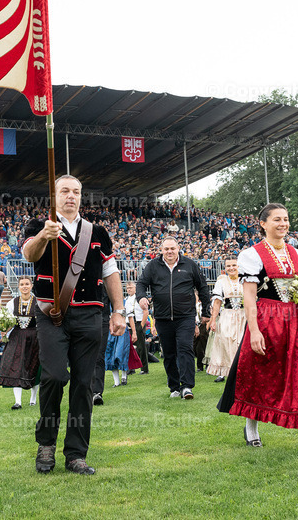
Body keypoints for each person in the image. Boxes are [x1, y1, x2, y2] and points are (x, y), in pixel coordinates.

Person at [22, 175, 126, 476]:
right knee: (54, 377)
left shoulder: (98, 232)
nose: (71, 196)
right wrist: (45, 236)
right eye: (65, 191)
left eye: (76, 192)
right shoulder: (37, 225)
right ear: (53, 196)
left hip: (91, 315)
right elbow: (29, 255)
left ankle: (76, 454)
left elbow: (110, 272)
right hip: (52, 314)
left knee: (84, 384)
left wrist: (119, 311)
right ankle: (46, 444)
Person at [218, 203, 298, 456]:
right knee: (260, 375)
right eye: (277, 219)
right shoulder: (251, 254)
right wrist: (254, 331)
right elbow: (249, 296)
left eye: (286, 219)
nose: (283, 224)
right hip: (268, 319)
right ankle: (251, 429)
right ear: (263, 224)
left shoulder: (297, 253)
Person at [135, 237, 211, 399]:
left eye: (172, 248)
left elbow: (203, 287)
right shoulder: (153, 266)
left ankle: (187, 386)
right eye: (166, 249)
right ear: (161, 250)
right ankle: (174, 387)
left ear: (178, 249)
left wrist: (206, 312)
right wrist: (141, 297)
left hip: (185, 317)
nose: (169, 251)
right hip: (162, 318)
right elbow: (141, 284)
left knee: (185, 348)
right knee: (169, 354)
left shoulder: (189, 265)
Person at [0, 276, 41, 409]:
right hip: (17, 337)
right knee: (15, 366)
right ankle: (18, 401)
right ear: (19, 287)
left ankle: (33, 398)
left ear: (31, 286)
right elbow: (9, 322)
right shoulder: (12, 303)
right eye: (22, 284)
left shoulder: (38, 302)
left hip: (34, 337)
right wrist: (4, 330)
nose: (24, 286)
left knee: (34, 366)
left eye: (27, 284)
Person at [206, 258, 244, 382]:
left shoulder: (245, 280)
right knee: (228, 343)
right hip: (228, 316)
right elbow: (217, 302)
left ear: (238, 266)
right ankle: (229, 373)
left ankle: (243, 372)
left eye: (234, 265)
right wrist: (213, 319)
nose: (231, 268)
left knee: (243, 343)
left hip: (244, 316)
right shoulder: (221, 282)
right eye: (228, 266)